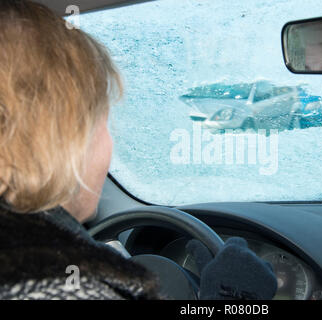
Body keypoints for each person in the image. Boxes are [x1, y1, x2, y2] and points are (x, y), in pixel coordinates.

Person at [0, 0, 277, 300]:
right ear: (65, 138)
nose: (110, 142)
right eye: (103, 123)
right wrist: (232, 300)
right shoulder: (61, 283)